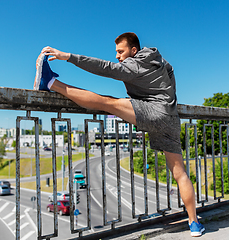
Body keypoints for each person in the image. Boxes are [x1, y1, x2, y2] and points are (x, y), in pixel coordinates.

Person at [33, 32, 205, 237]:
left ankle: (51, 83)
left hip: (153, 112)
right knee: (180, 173)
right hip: (170, 118)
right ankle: (194, 223)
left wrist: (68, 56)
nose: (117, 56)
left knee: (107, 102)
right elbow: (171, 84)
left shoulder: (135, 64)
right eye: (116, 52)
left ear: (134, 50)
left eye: (120, 52)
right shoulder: (161, 62)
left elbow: (106, 68)